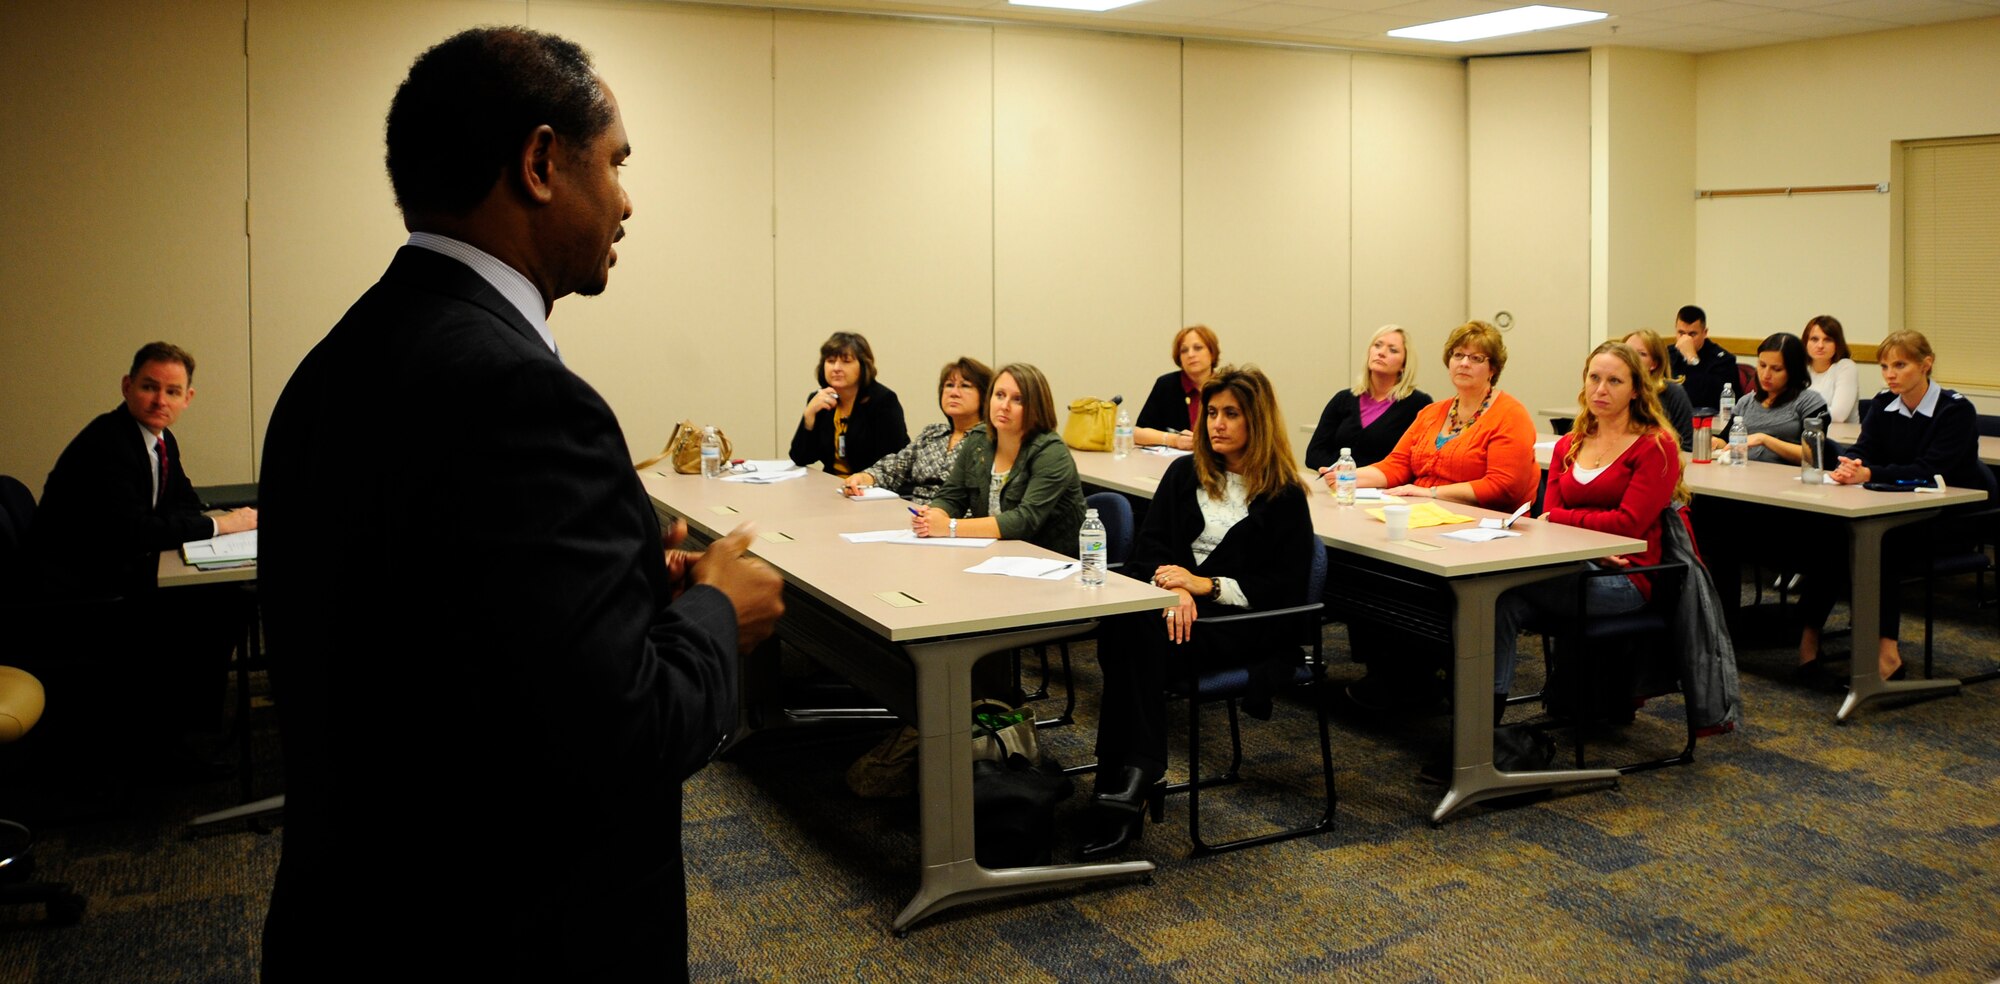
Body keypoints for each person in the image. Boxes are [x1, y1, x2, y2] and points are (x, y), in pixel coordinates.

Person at [257, 28, 784, 981]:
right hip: (512, 933)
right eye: (617, 163)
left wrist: (626, 590)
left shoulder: (332, 366)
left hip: (354, 917)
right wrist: (717, 609)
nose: (628, 201)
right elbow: (620, 735)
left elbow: (457, 637)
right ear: (541, 163)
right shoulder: (521, 394)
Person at [1080, 365, 1313, 858]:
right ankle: (1133, 782)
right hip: (1172, 616)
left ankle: (1125, 783)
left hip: (1243, 625)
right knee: (1131, 628)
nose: (1217, 424)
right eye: (1211, 413)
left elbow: (1286, 590)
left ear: (1257, 421)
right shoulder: (1184, 473)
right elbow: (1147, 553)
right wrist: (1175, 590)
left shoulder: (1285, 495)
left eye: (1232, 414)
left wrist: (1205, 587)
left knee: (1130, 636)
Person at [1492, 342, 1686, 710]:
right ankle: (1488, 721)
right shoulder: (1571, 443)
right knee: (1502, 603)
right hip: (1578, 566)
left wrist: (1566, 524)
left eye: (1614, 381)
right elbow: (1550, 519)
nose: (1601, 389)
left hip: (1628, 578)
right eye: (1594, 378)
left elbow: (1627, 525)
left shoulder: (1654, 446)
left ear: (1636, 390)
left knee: (1496, 583)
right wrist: (1589, 546)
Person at [1796, 330, 1989, 683]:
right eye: (1885, 367)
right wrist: (1851, 464)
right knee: (1830, 533)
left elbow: (1930, 469)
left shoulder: (1955, 410)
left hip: (1951, 517)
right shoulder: (1884, 403)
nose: (1890, 375)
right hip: (1896, 507)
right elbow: (1864, 447)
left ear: (1926, 365)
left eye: (1900, 365)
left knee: (1881, 542)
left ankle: (1887, 653)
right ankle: (1808, 642)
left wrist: (1870, 473)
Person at [31, 342, 257, 599]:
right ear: (127, 387)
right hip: (79, 586)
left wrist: (206, 525)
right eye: (149, 387)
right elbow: (134, 532)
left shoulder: (162, 439)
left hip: (120, 565)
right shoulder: (107, 442)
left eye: (172, 392)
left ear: (187, 398)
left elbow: (184, 502)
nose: (160, 401)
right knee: (229, 599)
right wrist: (219, 525)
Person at [1353, 320, 1538, 511]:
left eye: (1476, 358)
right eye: (1458, 355)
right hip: (1423, 512)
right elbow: (1397, 465)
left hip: (1483, 519)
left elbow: (1503, 486)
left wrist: (1430, 493)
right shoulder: (1431, 413)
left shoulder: (1511, 415)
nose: (1464, 363)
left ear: (1493, 369)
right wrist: (1347, 476)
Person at [913, 363, 1085, 555]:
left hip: (1050, 560)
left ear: (1036, 407)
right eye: (1000, 395)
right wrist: (933, 515)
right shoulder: (978, 440)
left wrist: (949, 526)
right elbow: (951, 497)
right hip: (995, 555)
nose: (1004, 406)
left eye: (1018, 399)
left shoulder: (1051, 452)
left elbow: (1024, 521)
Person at [843, 357, 989, 503]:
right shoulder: (933, 433)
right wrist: (865, 478)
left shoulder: (988, 440)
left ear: (984, 395)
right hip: (913, 512)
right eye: (949, 385)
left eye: (965, 386)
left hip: (957, 515)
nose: (954, 393)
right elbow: (895, 467)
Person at [1305, 323, 1432, 472]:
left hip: (1386, 484)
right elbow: (1314, 453)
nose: (1381, 353)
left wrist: (1365, 475)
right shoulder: (1343, 399)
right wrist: (1340, 470)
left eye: (1392, 350)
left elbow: (1419, 461)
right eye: (1377, 345)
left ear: (1404, 364)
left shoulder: (1419, 404)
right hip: (1340, 482)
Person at [788, 331, 908, 476]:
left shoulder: (882, 401)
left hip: (870, 486)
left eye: (846, 361)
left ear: (863, 366)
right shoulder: (820, 400)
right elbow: (800, 458)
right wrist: (809, 417)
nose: (836, 368)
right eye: (830, 361)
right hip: (832, 484)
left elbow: (893, 463)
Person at [1711, 333, 1829, 464]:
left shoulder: (1810, 402)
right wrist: (1715, 442)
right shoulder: (1746, 402)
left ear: (1793, 371)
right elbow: (1726, 440)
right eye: (1762, 365)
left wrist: (1764, 439)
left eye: (1776, 369)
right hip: (1744, 470)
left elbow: (1813, 454)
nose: (1766, 375)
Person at [1133, 324, 1220, 450]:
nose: (1190, 354)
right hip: (1177, 459)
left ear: (1212, 353)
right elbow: (1138, 434)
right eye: (1184, 350)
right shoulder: (1167, 385)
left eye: (1198, 348)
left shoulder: (1226, 387)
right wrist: (1174, 440)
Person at [1622, 329, 1694, 450]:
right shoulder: (1614, 391)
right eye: (1627, 352)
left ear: (1654, 364)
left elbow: (1687, 445)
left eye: (1641, 354)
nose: (1631, 358)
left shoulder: (1672, 392)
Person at [1666, 304, 1738, 411]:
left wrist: (1693, 359)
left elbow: (1710, 399)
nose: (1686, 339)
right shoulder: (1667, 354)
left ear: (1705, 333)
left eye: (1692, 334)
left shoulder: (1723, 361)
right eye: (1681, 333)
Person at [1803, 314, 1861, 424]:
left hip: (1841, 434)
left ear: (1837, 344)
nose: (1820, 345)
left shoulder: (1846, 367)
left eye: (1827, 340)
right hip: (1805, 432)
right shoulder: (1801, 369)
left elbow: (1838, 415)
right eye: (1814, 339)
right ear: (1806, 342)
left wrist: (1797, 413)